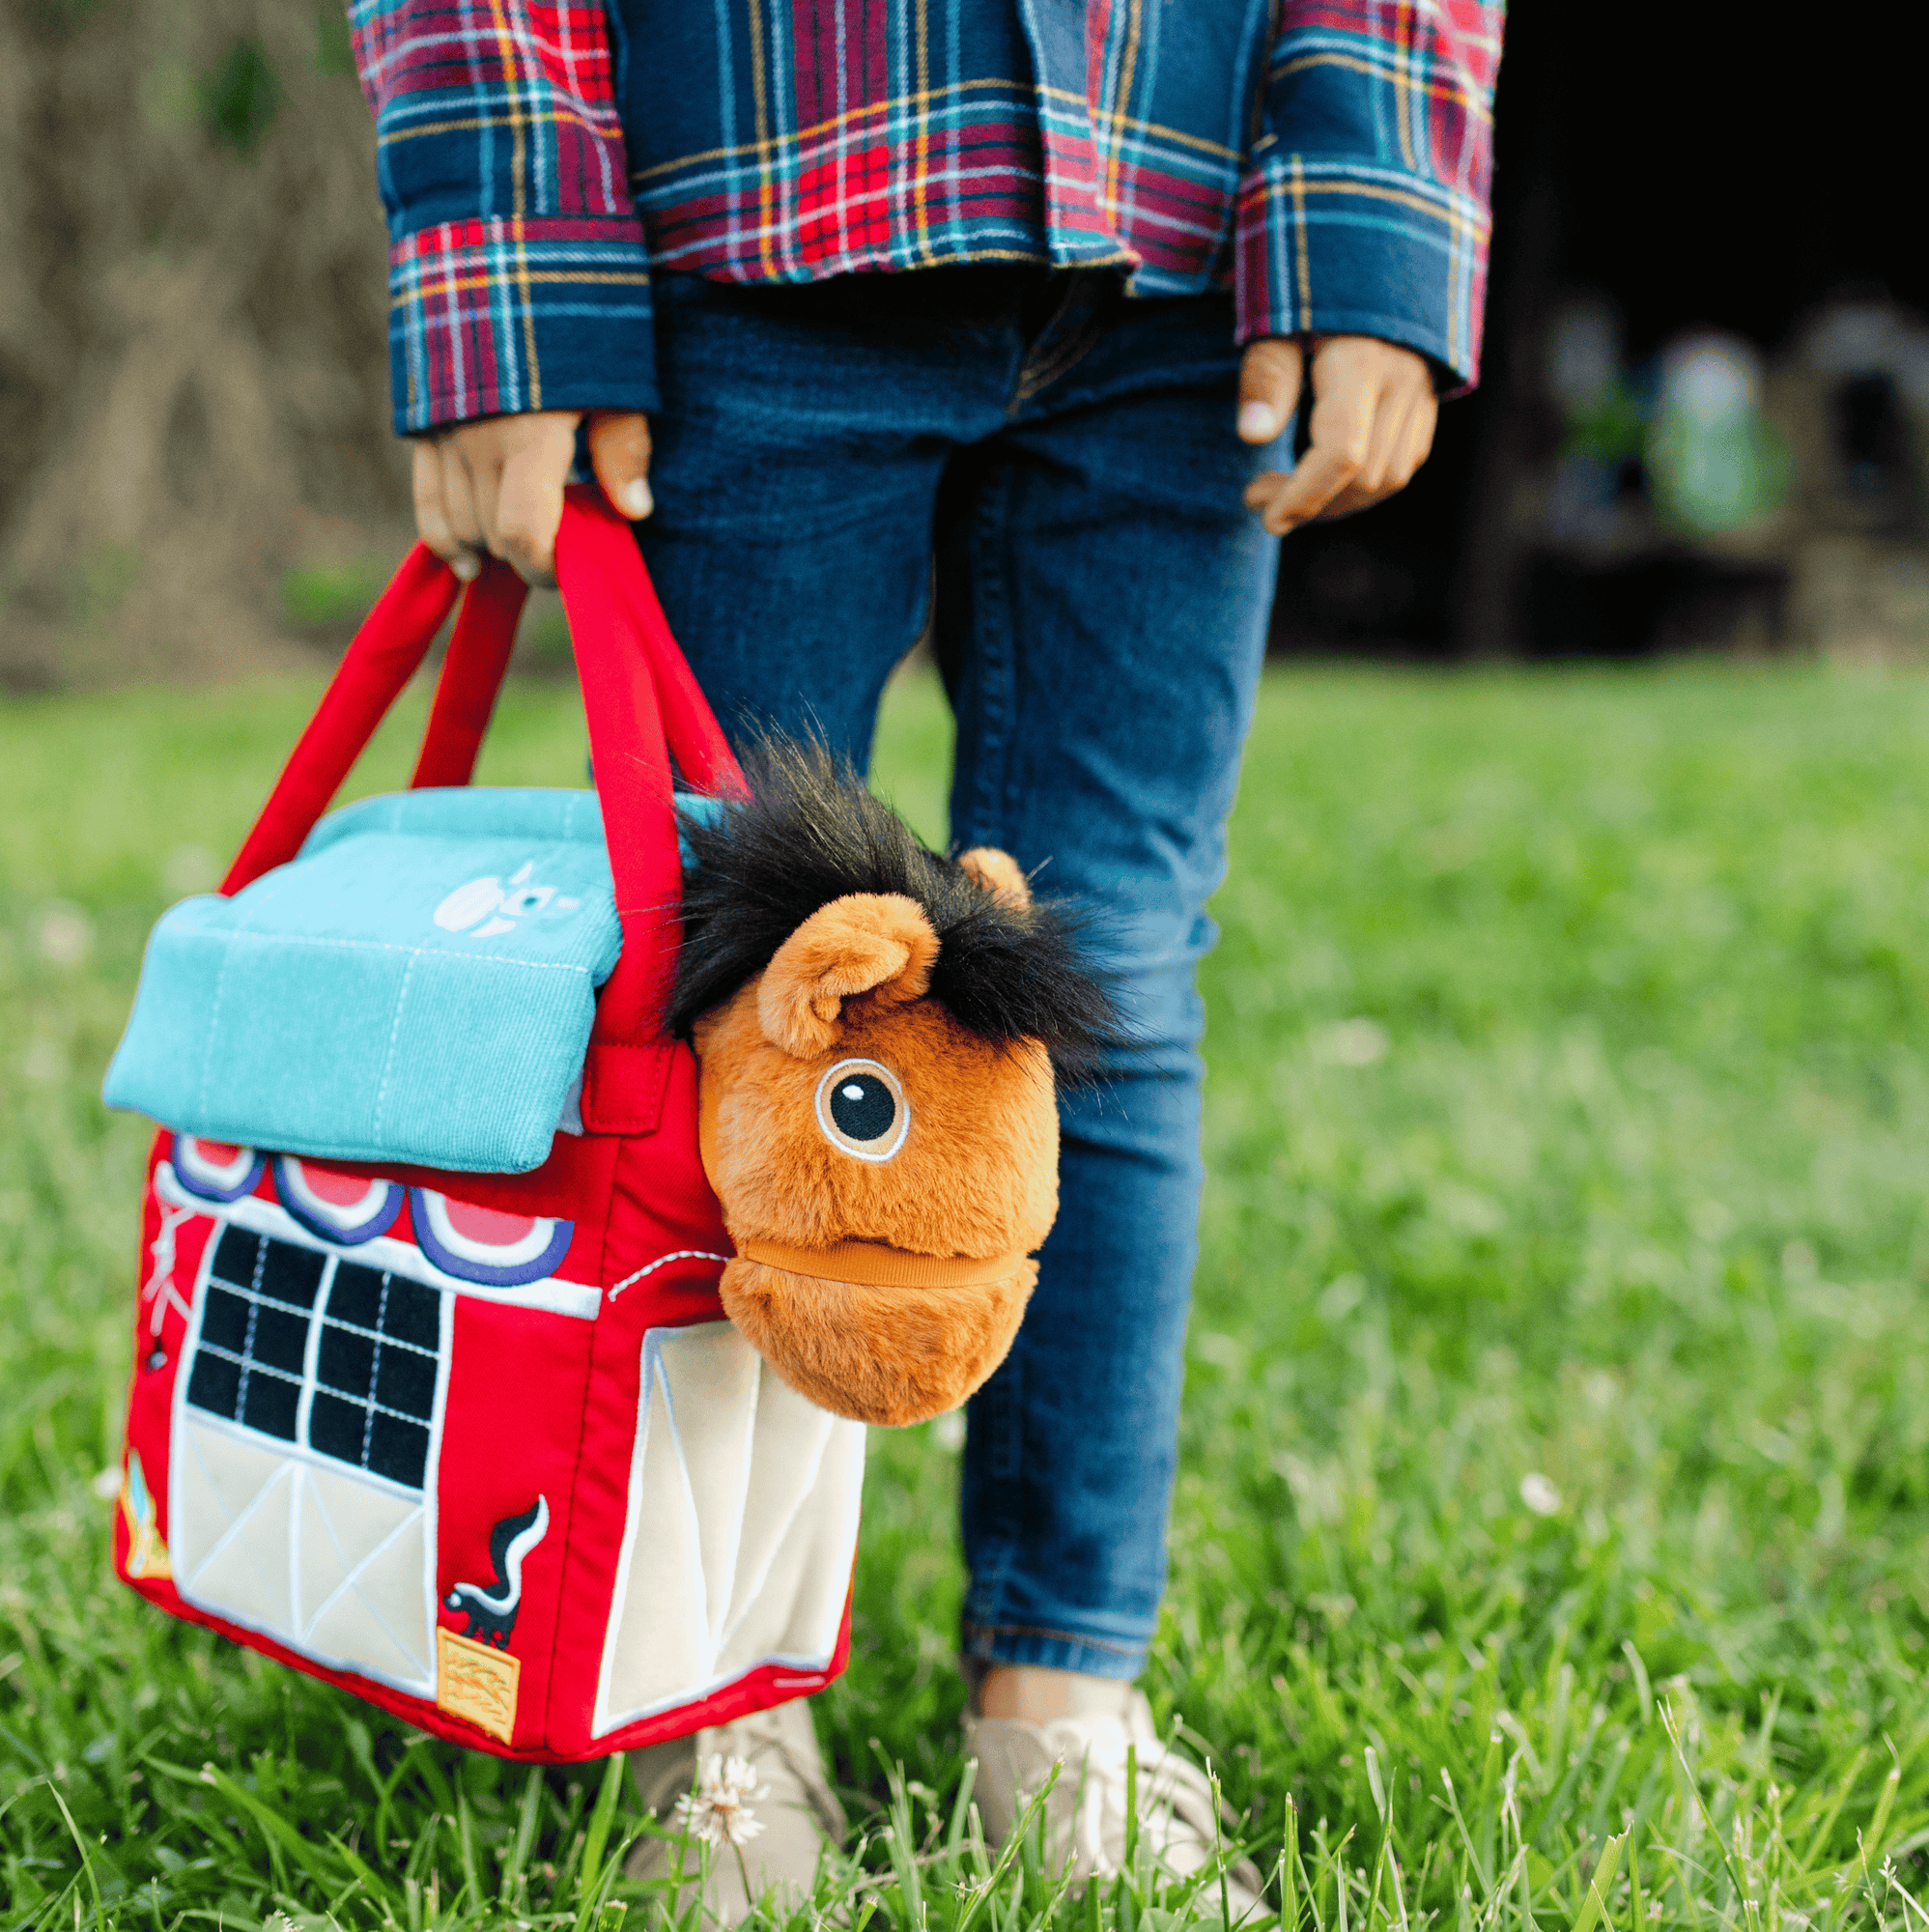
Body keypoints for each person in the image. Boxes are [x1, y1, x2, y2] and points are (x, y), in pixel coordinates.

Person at [350, 0, 1502, 1914]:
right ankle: (710, 1703)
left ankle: (1061, 1705)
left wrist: (1373, 212)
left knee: (1104, 976)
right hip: (755, 209)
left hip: (1179, 243)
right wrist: (508, 262)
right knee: (735, 986)